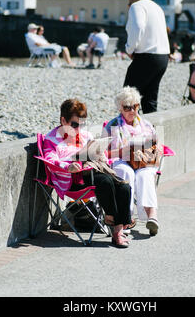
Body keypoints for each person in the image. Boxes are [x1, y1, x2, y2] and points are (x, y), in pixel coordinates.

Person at [43, 99, 132, 248]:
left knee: (124, 187)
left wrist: (99, 152)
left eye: (82, 124)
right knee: (105, 182)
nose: (79, 129)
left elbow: (101, 156)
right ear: (63, 120)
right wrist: (67, 166)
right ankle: (110, 218)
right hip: (72, 180)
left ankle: (118, 231)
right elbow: (49, 160)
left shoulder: (86, 136)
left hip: (93, 171)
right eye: (75, 125)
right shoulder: (52, 138)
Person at [102, 87, 161, 236]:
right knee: (125, 172)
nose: (131, 111)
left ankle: (152, 216)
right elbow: (102, 153)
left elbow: (158, 147)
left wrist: (153, 156)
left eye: (134, 106)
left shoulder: (147, 125)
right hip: (120, 160)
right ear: (120, 107)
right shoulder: (112, 126)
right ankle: (125, 218)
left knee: (145, 175)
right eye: (127, 107)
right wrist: (121, 152)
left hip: (143, 162)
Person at [123, 0, 170, 114]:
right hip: (162, 56)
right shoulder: (157, 7)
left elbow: (138, 27)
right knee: (150, 100)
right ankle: (153, 130)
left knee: (128, 98)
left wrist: (129, 49)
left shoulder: (137, 6)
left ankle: (130, 130)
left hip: (147, 56)